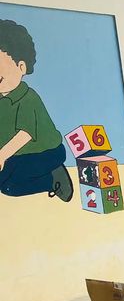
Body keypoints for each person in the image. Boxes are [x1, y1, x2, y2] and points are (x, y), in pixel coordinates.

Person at [0, 19, 73, 201]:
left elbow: (24, 134)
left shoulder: (28, 98)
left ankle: (53, 179)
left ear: (21, 67)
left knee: (9, 187)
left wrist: (2, 155)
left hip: (46, 153)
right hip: (16, 154)